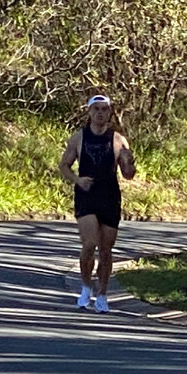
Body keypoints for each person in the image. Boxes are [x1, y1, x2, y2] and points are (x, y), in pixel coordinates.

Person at [59, 94, 136, 313]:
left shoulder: (118, 140)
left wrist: (129, 163)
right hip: (87, 194)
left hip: (109, 196)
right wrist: (77, 180)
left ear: (109, 113)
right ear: (89, 112)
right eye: (96, 109)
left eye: (104, 109)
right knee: (89, 244)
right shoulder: (79, 138)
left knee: (106, 250)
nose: (100, 113)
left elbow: (128, 174)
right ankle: (85, 287)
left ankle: (102, 293)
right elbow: (64, 165)